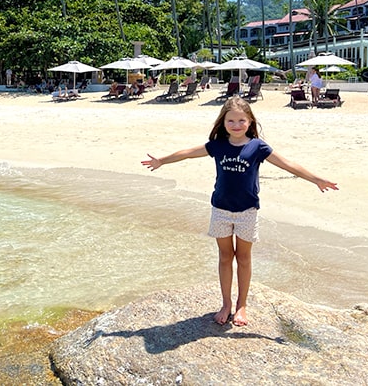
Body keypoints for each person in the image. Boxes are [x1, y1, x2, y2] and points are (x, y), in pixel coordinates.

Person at [141, 97, 337, 327]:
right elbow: (187, 152)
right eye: (231, 120)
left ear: (250, 121)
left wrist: (316, 179)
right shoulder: (217, 145)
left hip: (247, 211)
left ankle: (241, 305)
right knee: (225, 257)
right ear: (223, 122)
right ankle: (226, 303)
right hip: (221, 210)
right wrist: (162, 161)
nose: (236, 125)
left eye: (241, 120)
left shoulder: (257, 146)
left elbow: (287, 164)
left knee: (243, 258)